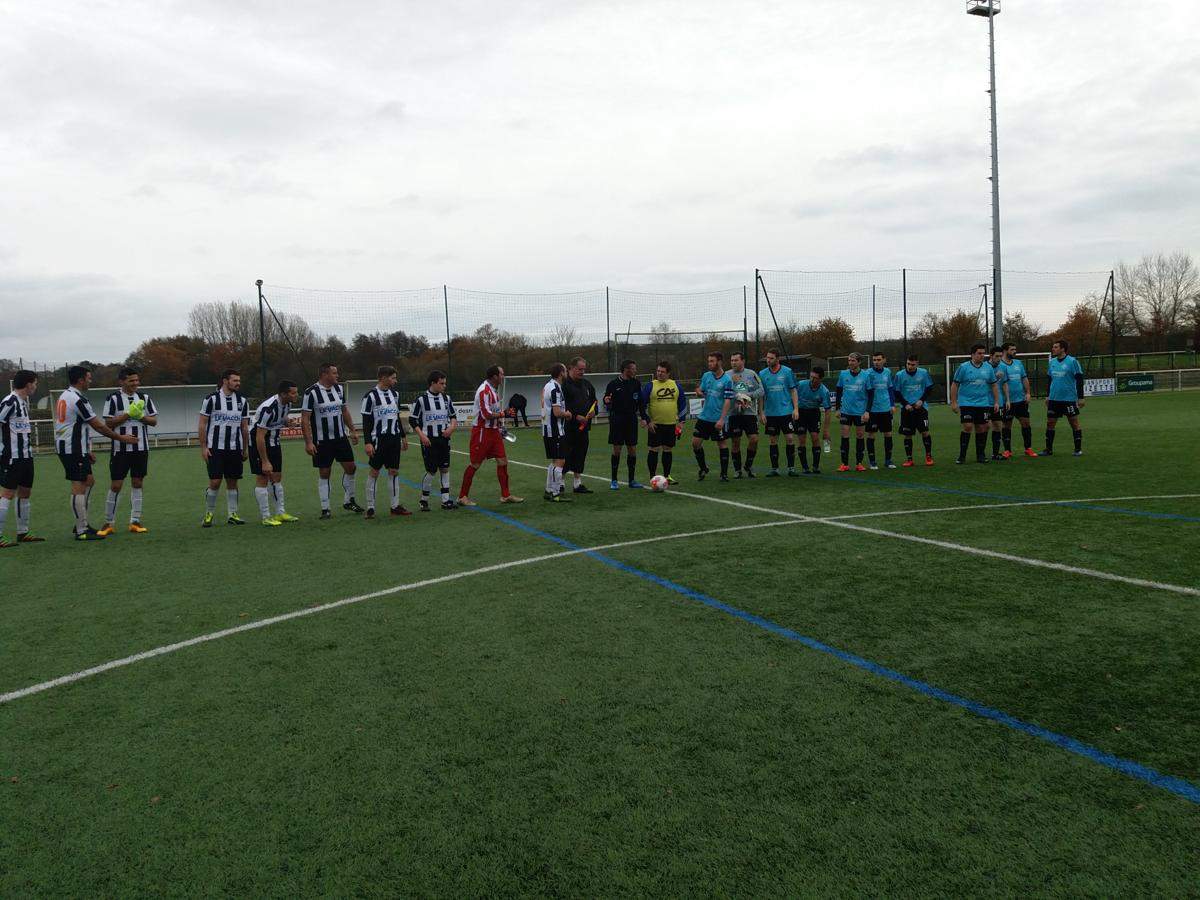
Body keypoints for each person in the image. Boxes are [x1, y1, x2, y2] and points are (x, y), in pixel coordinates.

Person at [56, 365, 140, 540]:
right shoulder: (78, 399)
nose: (90, 380)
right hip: (72, 447)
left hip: (74, 446)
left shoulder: (65, 395)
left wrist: (87, 450)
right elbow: (99, 425)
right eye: (88, 377)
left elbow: (76, 425)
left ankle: (82, 523)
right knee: (78, 485)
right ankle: (81, 530)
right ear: (80, 380)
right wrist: (122, 438)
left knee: (88, 481)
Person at [100, 366, 158, 536]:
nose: (135, 383)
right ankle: (108, 522)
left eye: (137, 380)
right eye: (131, 380)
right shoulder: (113, 398)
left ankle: (135, 521)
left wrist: (140, 416)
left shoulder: (144, 397)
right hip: (120, 449)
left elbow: (154, 421)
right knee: (116, 485)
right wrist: (127, 414)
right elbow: (108, 424)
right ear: (122, 381)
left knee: (138, 483)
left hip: (141, 448)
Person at [301, 362, 362, 519]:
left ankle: (349, 500)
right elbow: (305, 419)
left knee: (351, 467)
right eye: (334, 373)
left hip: (341, 438)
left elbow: (344, 411)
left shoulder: (339, 389)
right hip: (322, 441)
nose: (337, 375)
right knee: (325, 472)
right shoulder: (311, 392)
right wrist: (309, 442)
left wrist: (353, 430)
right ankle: (325, 508)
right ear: (324, 374)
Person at [458, 365, 523, 506]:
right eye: (501, 374)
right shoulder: (484, 391)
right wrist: (503, 414)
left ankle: (505, 495)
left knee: (503, 461)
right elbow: (486, 414)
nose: (503, 376)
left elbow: (495, 412)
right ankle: (462, 497)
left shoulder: (494, 391)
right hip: (482, 432)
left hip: (493, 432)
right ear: (494, 376)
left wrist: (501, 424)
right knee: (475, 464)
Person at [199, 368, 251, 527]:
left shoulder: (242, 401)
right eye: (235, 380)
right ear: (225, 381)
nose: (238, 383)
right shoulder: (211, 399)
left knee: (233, 481)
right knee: (215, 482)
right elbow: (202, 424)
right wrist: (203, 447)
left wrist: (245, 448)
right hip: (215, 448)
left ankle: (232, 514)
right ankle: (208, 514)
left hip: (235, 448)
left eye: (239, 381)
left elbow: (244, 427)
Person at [0, 370, 43, 547]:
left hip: (26, 456)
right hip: (12, 456)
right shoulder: (9, 401)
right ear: (28, 384)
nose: (35, 386)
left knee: (25, 492)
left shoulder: (22, 402)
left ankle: (23, 532)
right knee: (7, 493)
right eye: (35, 383)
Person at [361, 366, 411, 519]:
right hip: (379, 440)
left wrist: (403, 436)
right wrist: (368, 442)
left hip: (394, 439)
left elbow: (396, 417)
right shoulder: (370, 396)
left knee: (394, 471)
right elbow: (366, 421)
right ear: (383, 377)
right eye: (393, 378)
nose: (395, 381)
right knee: (374, 472)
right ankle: (370, 507)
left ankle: (395, 506)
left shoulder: (395, 394)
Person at [250, 380, 300, 526]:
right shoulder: (268, 408)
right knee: (263, 477)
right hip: (259, 444)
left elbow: (281, 419)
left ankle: (280, 513)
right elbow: (259, 436)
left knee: (277, 477)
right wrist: (265, 461)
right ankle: (266, 517)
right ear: (283, 394)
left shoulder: (287, 404)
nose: (296, 395)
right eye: (293, 393)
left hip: (274, 443)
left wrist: (287, 423)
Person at [409, 369, 459, 511]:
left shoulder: (446, 399)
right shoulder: (421, 400)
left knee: (444, 468)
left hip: (444, 439)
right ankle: (424, 500)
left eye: (445, 383)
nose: (444, 386)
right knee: (431, 470)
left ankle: (445, 500)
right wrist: (422, 436)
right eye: (441, 383)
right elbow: (413, 420)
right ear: (433, 383)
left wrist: (451, 428)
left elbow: (453, 417)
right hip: (429, 439)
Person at [949, 343, 1001, 464]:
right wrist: (953, 402)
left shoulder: (988, 368)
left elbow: (993, 385)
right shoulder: (963, 367)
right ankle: (962, 456)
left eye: (983, 353)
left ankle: (980, 455)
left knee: (982, 427)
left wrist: (996, 402)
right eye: (979, 353)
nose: (982, 355)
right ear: (972, 354)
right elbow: (955, 384)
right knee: (967, 426)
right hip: (966, 402)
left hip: (983, 403)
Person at [639, 360, 687, 485]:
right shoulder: (650, 386)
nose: (659, 374)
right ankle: (652, 477)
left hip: (671, 424)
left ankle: (667, 476)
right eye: (658, 371)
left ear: (668, 373)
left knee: (668, 449)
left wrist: (681, 422)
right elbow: (641, 404)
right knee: (654, 449)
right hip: (655, 425)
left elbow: (682, 403)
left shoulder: (676, 385)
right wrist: (647, 420)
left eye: (662, 372)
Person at [758, 349, 800, 477]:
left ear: (778, 359)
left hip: (786, 412)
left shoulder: (787, 372)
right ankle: (774, 469)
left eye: (771, 358)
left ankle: (791, 468)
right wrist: (761, 412)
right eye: (767, 358)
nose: (768, 360)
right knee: (773, 441)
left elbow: (793, 391)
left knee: (790, 438)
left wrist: (796, 408)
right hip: (770, 413)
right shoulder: (762, 373)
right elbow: (761, 395)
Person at [693, 351, 733, 481]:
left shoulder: (727, 380)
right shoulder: (706, 376)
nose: (709, 363)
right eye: (709, 361)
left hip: (718, 419)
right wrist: (699, 392)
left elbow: (727, 400)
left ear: (719, 362)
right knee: (695, 443)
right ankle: (703, 468)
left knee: (722, 444)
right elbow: (700, 389)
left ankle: (724, 474)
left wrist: (722, 419)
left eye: (712, 361)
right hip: (704, 417)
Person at [604, 359, 644, 490]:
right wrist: (607, 402)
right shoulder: (613, 384)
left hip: (631, 419)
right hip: (617, 419)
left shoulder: (636, 383)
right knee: (617, 449)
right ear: (626, 369)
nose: (635, 371)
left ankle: (631, 480)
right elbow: (607, 401)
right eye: (633, 368)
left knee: (632, 449)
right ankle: (614, 480)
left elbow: (641, 402)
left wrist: (643, 418)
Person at [561, 357, 598, 494]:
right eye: (579, 369)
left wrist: (594, 411)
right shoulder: (564, 385)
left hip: (584, 428)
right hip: (568, 427)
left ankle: (577, 484)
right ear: (571, 368)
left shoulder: (587, 384)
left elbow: (594, 401)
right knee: (566, 454)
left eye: (584, 369)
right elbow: (563, 405)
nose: (582, 372)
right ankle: (561, 483)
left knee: (581, 454)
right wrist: (576, 416)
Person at [1042, 338, 1085, 457]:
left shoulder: (1072, 361)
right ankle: (1048, 449)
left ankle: (1078, 449)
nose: (1053, 349)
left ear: (1062, 349)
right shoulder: (1052, 362)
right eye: (1053, 347)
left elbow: (1079, 379)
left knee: (1074, 423)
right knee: (1050, 423)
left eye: (1055, 347)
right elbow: (1049, 379)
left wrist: (1081, 397)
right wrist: (1048, 396)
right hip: (1054, 399)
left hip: (1069, 399)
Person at [892, 355, 935, 467]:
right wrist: (905, 404)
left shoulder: (924, 373)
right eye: (908, 364)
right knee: (908, 434)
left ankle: (929, 457)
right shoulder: (899, 375)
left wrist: (921, 400)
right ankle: (909, 459)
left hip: (921, 408)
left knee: (925, 431)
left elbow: (929, 388)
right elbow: (896, 392)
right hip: (907, 409)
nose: (910, 366)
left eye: (913, 364)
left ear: (917, 364)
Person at [727, 351, 764, 478]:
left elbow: (761, 390)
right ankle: (737, 470)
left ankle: (748, 465)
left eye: (736, 360)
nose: (733, 363)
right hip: (733, 414)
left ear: (743, 361)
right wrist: (737, 397)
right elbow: (723, 391)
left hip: (749, 413)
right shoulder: (727, 375)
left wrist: (747, 396)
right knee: (735, 442)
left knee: (754, 439)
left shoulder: (751, 374)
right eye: (732, 360)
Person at [835, 353, 873, 472]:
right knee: (844, 436)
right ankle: (844, 464)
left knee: (860, 436)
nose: (850, 363)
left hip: (860, 412)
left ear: (859, 362)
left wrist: (867, 411)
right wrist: (837, 408)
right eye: (849, 360)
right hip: (846, 411)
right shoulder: (843, 374)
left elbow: (871, 394)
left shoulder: (866, 375)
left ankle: (859, 463)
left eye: (853, 360)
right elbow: (839, 391)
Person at [541, 363, 573, 502]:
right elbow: (557, 412)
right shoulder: (555, 389)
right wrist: (567, 414)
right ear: (561, 373)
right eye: (565, 371)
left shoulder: (547, 385)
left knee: (554, 461)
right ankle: (555, 493)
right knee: (560, 461)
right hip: (555, 430)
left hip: (547, 429)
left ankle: (549, 490)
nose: (566, 373)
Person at [794, 366, 832, 474]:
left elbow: (828, 411)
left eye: (815, 378)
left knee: (815, 438)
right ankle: (805, 467)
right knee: (801, 439)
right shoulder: (801, 384)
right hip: (800, 413)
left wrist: (826, 430)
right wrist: (794, 409)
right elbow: (792, 394)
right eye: (811, 376)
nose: (812, 379)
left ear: (820, 379)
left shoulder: (824, 391)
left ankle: (815, 466)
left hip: (814, 413)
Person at [1001, 342, 1037, 457]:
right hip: (1007, 402)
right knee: (1007, 425)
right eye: (1012, 349)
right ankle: (1007, 450)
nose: (1014, 351)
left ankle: (1028, 448)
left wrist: (1028, 393)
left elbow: (1024, 378)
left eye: (1015, 349)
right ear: (1005, 351)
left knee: (1026, 423)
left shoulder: (1018, 363)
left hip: (1021, 400)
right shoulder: (1000, 365)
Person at [865, 352, 896, 469]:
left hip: (885, 408)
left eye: (878, 360)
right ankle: (872, 461)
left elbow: (890, 388)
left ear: (884, 360)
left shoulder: (887, 372)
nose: (876, 362)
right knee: (871, 434)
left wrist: (892, 404)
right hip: (873, 409)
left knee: (888, 433)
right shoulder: (868, 373)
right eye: (874, 360)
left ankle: (888, 460)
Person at [988, 346, 1012, 460]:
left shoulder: (1003, 367)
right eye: (996, 356)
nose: (998, 358)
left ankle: (995, 453)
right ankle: (981, 453)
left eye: (1000, 356)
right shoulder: (984, 367)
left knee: (998, 426)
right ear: (991, 356)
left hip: (999, 402)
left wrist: (1007, 399)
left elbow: (1004, 384)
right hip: (985, 402)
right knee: (983, 427)